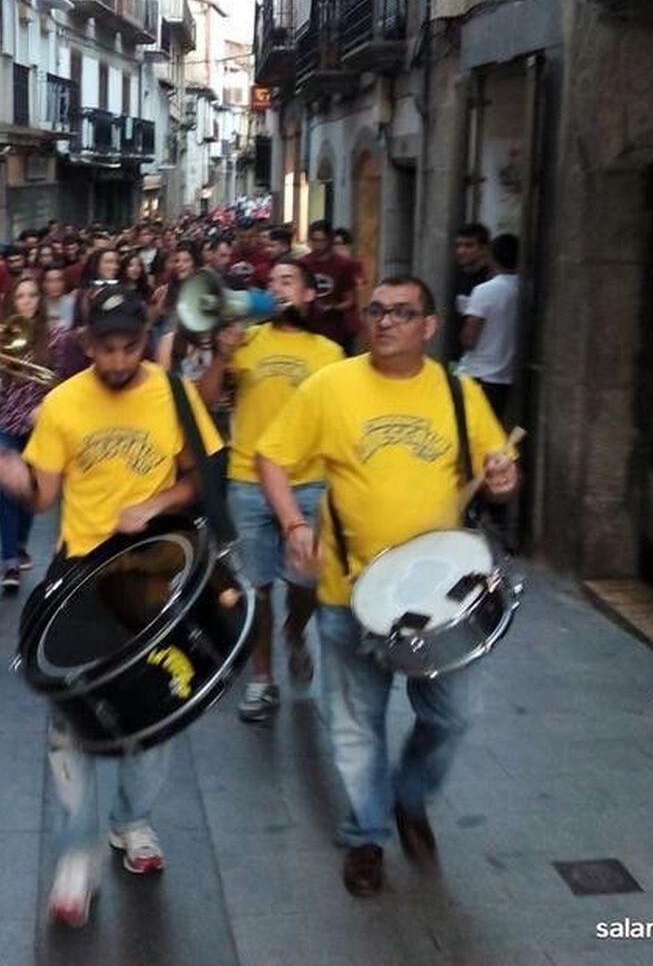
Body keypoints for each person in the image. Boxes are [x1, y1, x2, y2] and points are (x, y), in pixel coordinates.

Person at [0, 288, 222, 927]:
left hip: (155, 573)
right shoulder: (62, 403)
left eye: (130, 347)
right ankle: (76, 854)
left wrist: (156, 503)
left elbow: (205, 477)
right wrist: (14, 477)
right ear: (86, 344)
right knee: (72, 719)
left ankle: (132, 821)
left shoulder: (175, 395)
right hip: (82, 573)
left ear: (144, 339)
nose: (118, 360)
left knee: (157, 709)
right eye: (106, 348)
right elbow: (42, 496)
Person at [256, 276, 518, 898]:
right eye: (376, 310)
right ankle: (366, 835)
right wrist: (293, 523)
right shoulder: (330, 387)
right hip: (350, 593)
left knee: (455, 713)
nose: (385, 321)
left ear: (429, 326)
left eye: (402, 312)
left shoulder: (457, 391)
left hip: (441, 598)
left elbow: (499, 469)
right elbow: (272, 457)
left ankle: (410, 794)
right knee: (355, 725)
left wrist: (504, 479)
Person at [196, 258, 342, 722]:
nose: (278, 288)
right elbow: (204, 399)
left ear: (309, 295)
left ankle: (295, 631)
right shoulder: (247, 339)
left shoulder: (330, 353)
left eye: (288, 281)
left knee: (306, 581)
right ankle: (263, 679)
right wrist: (222, 355)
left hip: (309, 480)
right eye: (272, 281)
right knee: (255, 586)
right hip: (248, 478)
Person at [0, 275, 72, 591]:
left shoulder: (55, 337)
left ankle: (21, 544)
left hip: (39, 423)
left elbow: (62, 381)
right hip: (5, 422)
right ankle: (9, 561)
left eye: (32, 295)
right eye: (20, 296)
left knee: (31, 490)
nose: (26, 301)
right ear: (12, 301)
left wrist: (47, 406)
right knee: (9, 489)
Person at [460, 233, 521, 420]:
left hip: (478, 373)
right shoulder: (524, 289)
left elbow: (470, 337)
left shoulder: (485, 290)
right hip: (506, 376)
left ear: (492, 258)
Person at [305, 219, 362, 352]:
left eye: (321, 241)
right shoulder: (303, 263)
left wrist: (333, 307)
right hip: (310, 328)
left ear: (329, 241)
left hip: (337, 329)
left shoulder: (344, 265)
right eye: (314, 240)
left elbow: (350, 300)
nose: (317, 245)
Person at [449, 222, 493, 360]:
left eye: (469, 245)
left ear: (484, 249)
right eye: (458, 245)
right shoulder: (458, 276)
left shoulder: (490, 281)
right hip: (460, 358)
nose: (461, 251)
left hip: (484, 359)